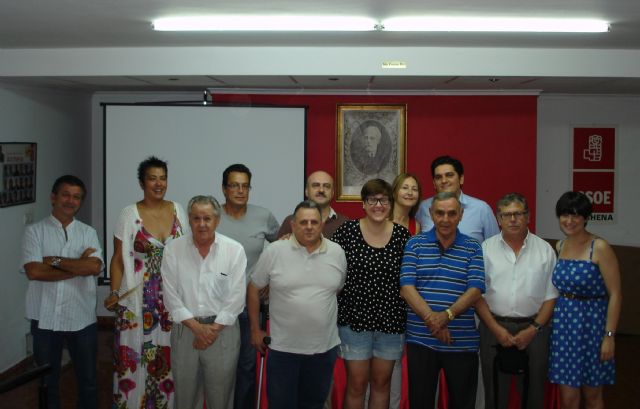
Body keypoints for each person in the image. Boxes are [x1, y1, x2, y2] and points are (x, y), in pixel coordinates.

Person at [104, 156, 189, 408]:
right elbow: (118, 259)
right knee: (134, 363)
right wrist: (114, 292)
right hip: (137, 302)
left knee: (168, 362)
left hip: (171, 301)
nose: (159, 184)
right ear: (142, 183)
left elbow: (187, 253)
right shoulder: (129, 214)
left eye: (163, 178)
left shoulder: (178, 210)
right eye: (152, 179)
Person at [248, 200, 347, 409]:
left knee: (314, 405)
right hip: (283, 350)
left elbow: (336, 289)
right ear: (293, 225)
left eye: (314, 222)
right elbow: (254, 288)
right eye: (303, 222)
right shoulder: (275, 251)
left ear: (322, 224)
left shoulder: (337, 252)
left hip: (323, 350)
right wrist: (255, 329)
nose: (309, 227)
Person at [21, 175, 104, 409]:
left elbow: (94, 267)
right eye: (66, 195)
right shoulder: (34, 232)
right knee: (47, 383)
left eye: (76, 197)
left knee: (88, 382)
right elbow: (34, 271)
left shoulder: (88, 233)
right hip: (44, 318)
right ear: (53, 197)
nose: (70, 201)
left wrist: (55, 261)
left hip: (82, 318)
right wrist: (78, 267)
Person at [400, 191, 485, 409]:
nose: (445, 219)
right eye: (440, 213)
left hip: (461, 342)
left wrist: (446, 316)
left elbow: (475, 290)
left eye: (452, 213)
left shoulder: (473, 247)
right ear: (431, 214)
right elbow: (407, 288)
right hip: (421, 340)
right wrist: (433, 321)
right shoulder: (414, 244)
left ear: (461, 215)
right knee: (420, 403)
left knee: (463, 404)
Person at [161, 195, 247, 409]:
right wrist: (197, 328)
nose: (201, 224)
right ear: (189, 220)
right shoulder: (173, 249)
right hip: (185, 331)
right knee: (185, 399)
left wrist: (211, 330)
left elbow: (236, 298)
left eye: (207, 218)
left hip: (223, 332)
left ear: (217, 221)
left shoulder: (234, 250)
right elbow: (170, 296)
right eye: (196, 218)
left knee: (221, 399)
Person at [331, 178, 410, 409]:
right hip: (354, 323)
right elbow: (328, 261)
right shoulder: (347, 232)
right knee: (356, 385)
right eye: (372, 200)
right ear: (363, 204)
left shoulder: (402, 236)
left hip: (390, 323)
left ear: (391, 204)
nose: (378, 205)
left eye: (384, 200)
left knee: (382, 384)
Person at [475, 193, 558, 409]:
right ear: (498, 219)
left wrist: (533, 329)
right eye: (507, 215)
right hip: (493, 327)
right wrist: (496, 329)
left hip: (535, 329)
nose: (513, 219)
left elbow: (551, 296)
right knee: (495, 393)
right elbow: (476, 295)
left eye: (518, 214)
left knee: (534, 392)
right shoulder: (485, 249)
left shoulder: (545, 250)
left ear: (528, 216)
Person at [549, 191, 622, 409]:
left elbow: (616, 294)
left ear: (586, 217)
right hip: (563, 329)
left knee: (592, 396)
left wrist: (609, 336)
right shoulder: (559, 246)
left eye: (576, 215)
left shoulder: (599, 247)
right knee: (568, 399)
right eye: (565, 215)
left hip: (592, 328)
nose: (569, 221)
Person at [216, 163, 279, 409]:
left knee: (247, 367)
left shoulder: (263, 216)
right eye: (234, 185)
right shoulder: (212, 217)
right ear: (224, 189)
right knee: (220, 368)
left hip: (250, 307)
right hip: (217, 306)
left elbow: (282, 248)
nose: (240, 191)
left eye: (245, 186)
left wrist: (272, 280)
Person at [416, 155, 499, 242]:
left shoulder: (481, 209)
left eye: (449, 175)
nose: (444, 181)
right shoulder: (423, 208)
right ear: (434, 183)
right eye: (438, 177)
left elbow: (495, 246)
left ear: (461, 179)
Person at [277, 170, 349, 238]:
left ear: (332, 193)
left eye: (326, 186)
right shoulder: (291, 221)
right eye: (315, 185)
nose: (321, 190)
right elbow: (279, 246)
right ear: (306, 191)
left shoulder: (344, 223)